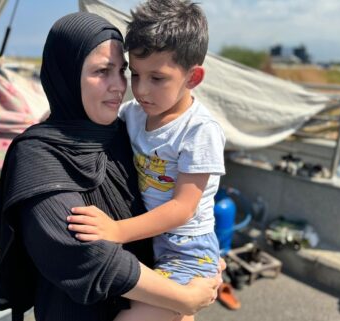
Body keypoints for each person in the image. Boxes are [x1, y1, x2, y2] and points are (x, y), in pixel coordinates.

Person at [0, 12, 223, 321]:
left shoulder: (118, 132)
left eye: (122, 71)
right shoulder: (37, 155)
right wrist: (184, 299)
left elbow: (185, 206)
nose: (124, 87)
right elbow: (86, 256)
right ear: (67, 75)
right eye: (103, 71)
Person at [66, 1, 225, 320]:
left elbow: (183, 208)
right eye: (135, 74)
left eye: (157, 78)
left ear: (193, 77)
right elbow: (95, 119)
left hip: (187, 249)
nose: (140, 90)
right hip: (151, 242)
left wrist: (117, 231)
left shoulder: (199, 131)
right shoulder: (135, 114)